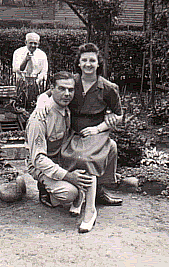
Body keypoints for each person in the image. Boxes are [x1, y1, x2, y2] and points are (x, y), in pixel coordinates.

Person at [34, 43, 124, 207]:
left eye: (92, 60)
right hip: (70, 131)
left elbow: (119, 115)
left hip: (95, 134)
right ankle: (48, 186)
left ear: (98, 63)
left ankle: (99, 191)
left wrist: (100, 127)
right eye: (84, 60)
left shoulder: (108, 88)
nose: (88, 64)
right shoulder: (71, 82)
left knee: (111, 147)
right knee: (73, 156)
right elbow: (47, 94)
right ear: (79, 63)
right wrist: (40, 104)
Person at [26, 71, 98, 234]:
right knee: (69, 193)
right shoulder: (40, 117)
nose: (67, 94)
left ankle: (90, 211)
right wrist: (68, 176)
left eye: (71, 90)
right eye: (62, 89)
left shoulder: (69, 106)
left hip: (62, 157)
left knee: (89, 157)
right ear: (52, 89)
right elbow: (38, 160)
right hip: (42, 164)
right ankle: (48, 189)